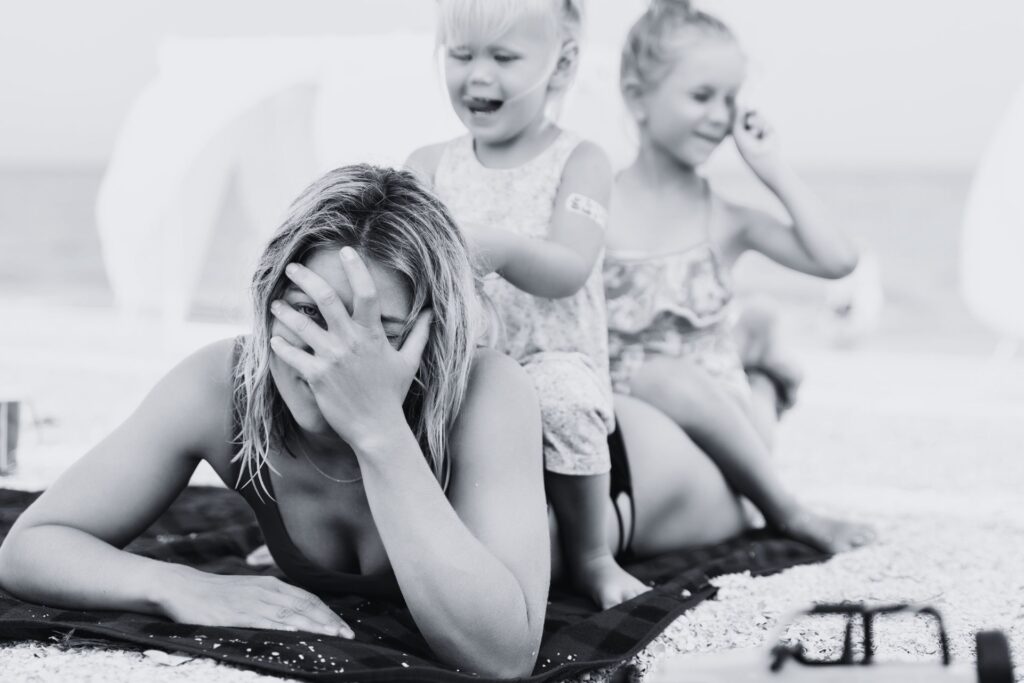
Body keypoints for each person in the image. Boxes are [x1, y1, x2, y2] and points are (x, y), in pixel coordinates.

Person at [0, 165, 552, 679]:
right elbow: (34, 545)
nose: (332, 355)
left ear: (434, 335)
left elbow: (503, 657)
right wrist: (172, 584)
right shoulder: (225, 384)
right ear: (267, 302)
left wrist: (379, 429)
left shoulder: (486, 391)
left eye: (378, 332)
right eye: (307, 314)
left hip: (614, 493)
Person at [406, 0, 649, 610]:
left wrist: (506, 249)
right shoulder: (429, 166)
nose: (478, 75)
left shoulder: (581, 161)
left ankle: (594, 556)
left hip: (549, 361)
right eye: (461, 55)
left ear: (561, 64)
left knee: (565, 397)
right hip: (462, 368)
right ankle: (329, 529)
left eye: (504, 57)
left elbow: (570, 266)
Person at [604, 0, 872, 551]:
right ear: (637, 97)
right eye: (702, 96)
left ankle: (786, 501)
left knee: (661, 374)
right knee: (648, 377)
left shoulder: (724, 218)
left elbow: (838, 260)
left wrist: (772, 167)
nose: (721, 116)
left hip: (733, 447)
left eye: (730, 99)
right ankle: (762, 359)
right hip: (639, 431)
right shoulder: (595, 204)